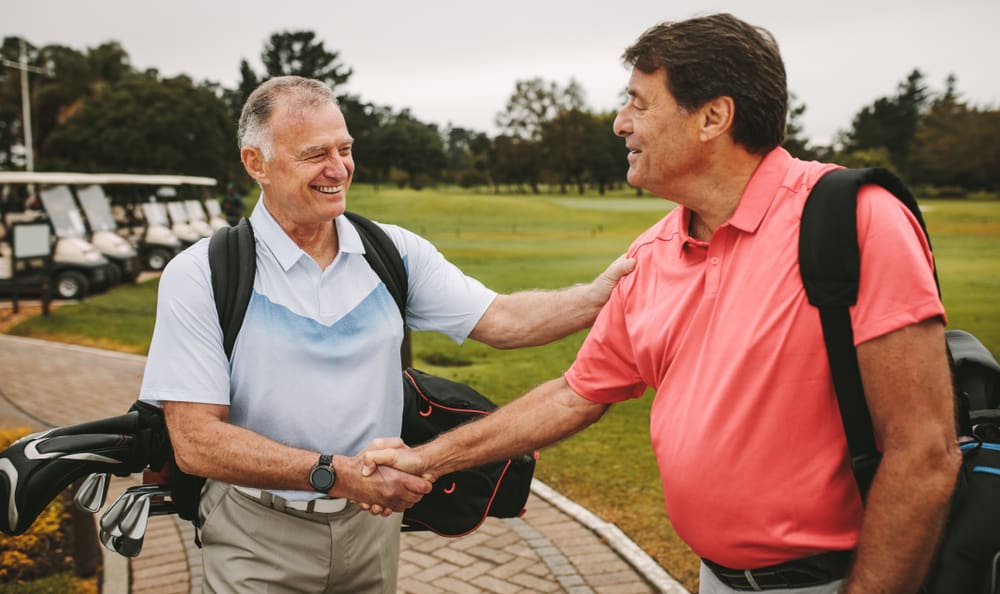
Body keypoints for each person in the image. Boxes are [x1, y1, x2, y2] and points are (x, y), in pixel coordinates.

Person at [363, 13, 962, 594]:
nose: (621, 123)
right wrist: (431, 460)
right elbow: (578, 393)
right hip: (715, 577)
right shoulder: (654, 250)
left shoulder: (857, 219)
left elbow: (924, 449)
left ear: (713, 117)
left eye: (639, 103)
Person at [138, 75, 634, 593]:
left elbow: (504, 320)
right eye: (315, 154)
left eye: (345, 148)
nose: (338, 169)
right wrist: (334, 473)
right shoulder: (202, 273)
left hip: (371, 527)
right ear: (255, 163)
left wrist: (597, 295)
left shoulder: (391, 252)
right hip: (256, 530)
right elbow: (196, 442)